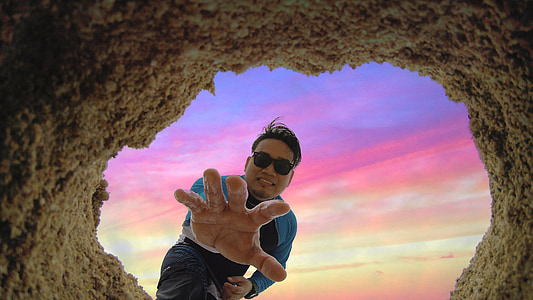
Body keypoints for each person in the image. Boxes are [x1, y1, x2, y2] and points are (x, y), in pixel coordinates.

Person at [156, 118, 302, 300]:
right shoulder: (216, 187)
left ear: (290, 177)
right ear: (248, 162)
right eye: (262, 159)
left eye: (282, 167)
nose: (270, 171)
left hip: (224, 288)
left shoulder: (286, 222)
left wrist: (251, 286)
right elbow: (199, 201)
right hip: (187, 258)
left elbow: (277, 263)